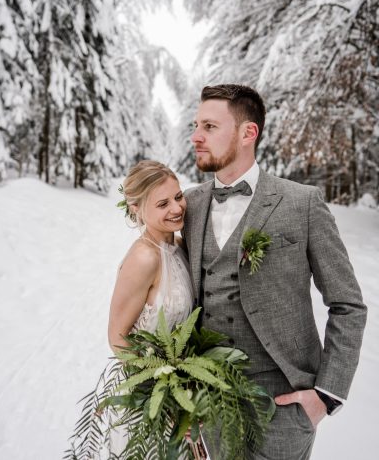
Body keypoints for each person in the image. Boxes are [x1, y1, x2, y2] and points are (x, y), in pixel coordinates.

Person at [182, 84, 367, 459]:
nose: (195, 136)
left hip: (285, 405)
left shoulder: (303, 203)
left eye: (210, 127)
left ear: (248, 133)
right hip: (210, 402)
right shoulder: (189, 205)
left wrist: (325, 395)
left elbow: (348, 304)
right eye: (196, 125)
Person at [107, 160, 195, 456]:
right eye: (162, 204)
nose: (176, 208)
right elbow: (118, 338)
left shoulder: (181, 246)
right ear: (136, 208)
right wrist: (161, 388)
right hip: (148, 398)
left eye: (178, 197)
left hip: (183, 395)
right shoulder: (144, 258)